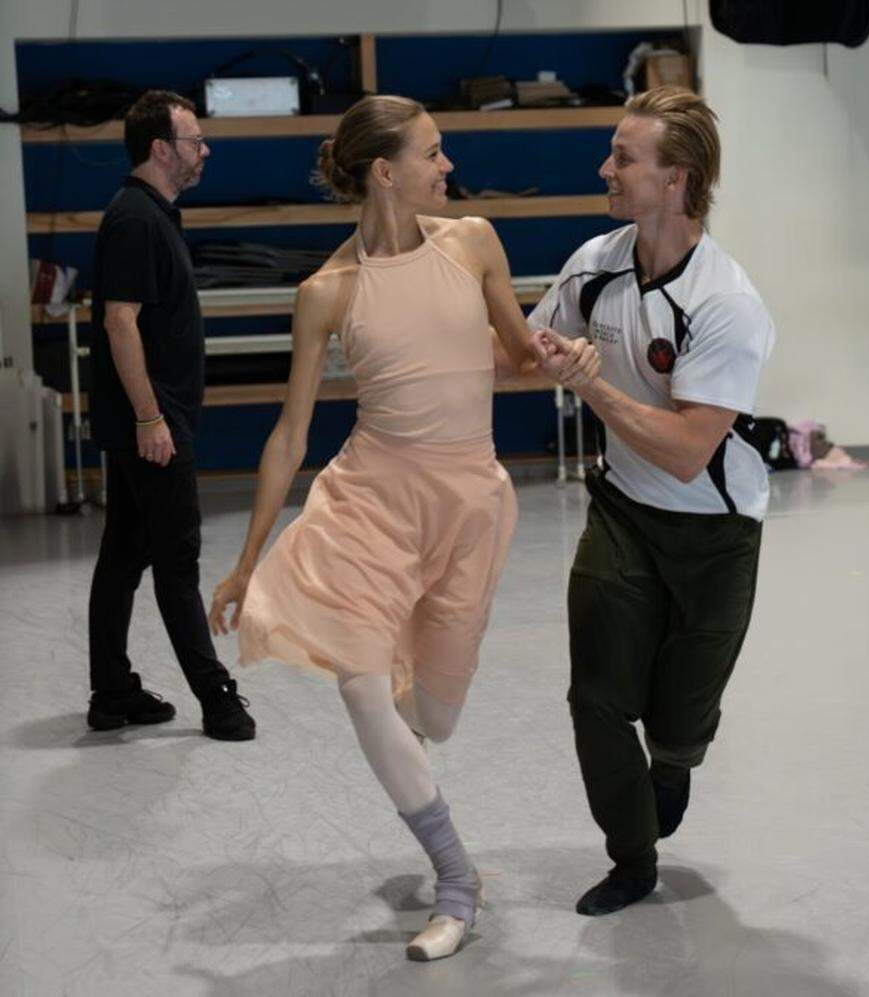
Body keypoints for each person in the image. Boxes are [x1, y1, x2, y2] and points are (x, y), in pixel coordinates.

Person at [207, 95, 597, 961]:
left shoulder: (474, 243)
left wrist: (565, 358)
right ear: (386, 172)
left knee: (435, 716)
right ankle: (457, 878)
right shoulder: (327, 292)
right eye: (433, 152)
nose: (447, 165)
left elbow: (519, 353)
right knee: (360, 682)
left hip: (466, 506)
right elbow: (289, 436)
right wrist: (244, 563)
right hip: (369, 503)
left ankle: (406, 744)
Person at [529, 85, 776, 916]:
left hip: (716, 532)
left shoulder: (726, 302)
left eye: (624, 158)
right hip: (623, 512)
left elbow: (685, 449)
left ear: (676, 180)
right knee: (596, 697)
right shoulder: (594, 264)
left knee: (680, 717)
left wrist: (591, 387)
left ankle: (674, 759)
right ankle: (632, 861)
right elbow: (528, 350)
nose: (605, 169)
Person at [86, 90, 256, 741]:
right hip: (154, 424)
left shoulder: (151, 213)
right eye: (194, 141)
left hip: (154, 418)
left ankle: (112, 692)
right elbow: (119, 321)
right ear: (161, 149)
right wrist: (149, 418)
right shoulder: (135, 219)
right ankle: (217, 697)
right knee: (177, 558)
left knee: (124, 554)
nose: (204, 150)